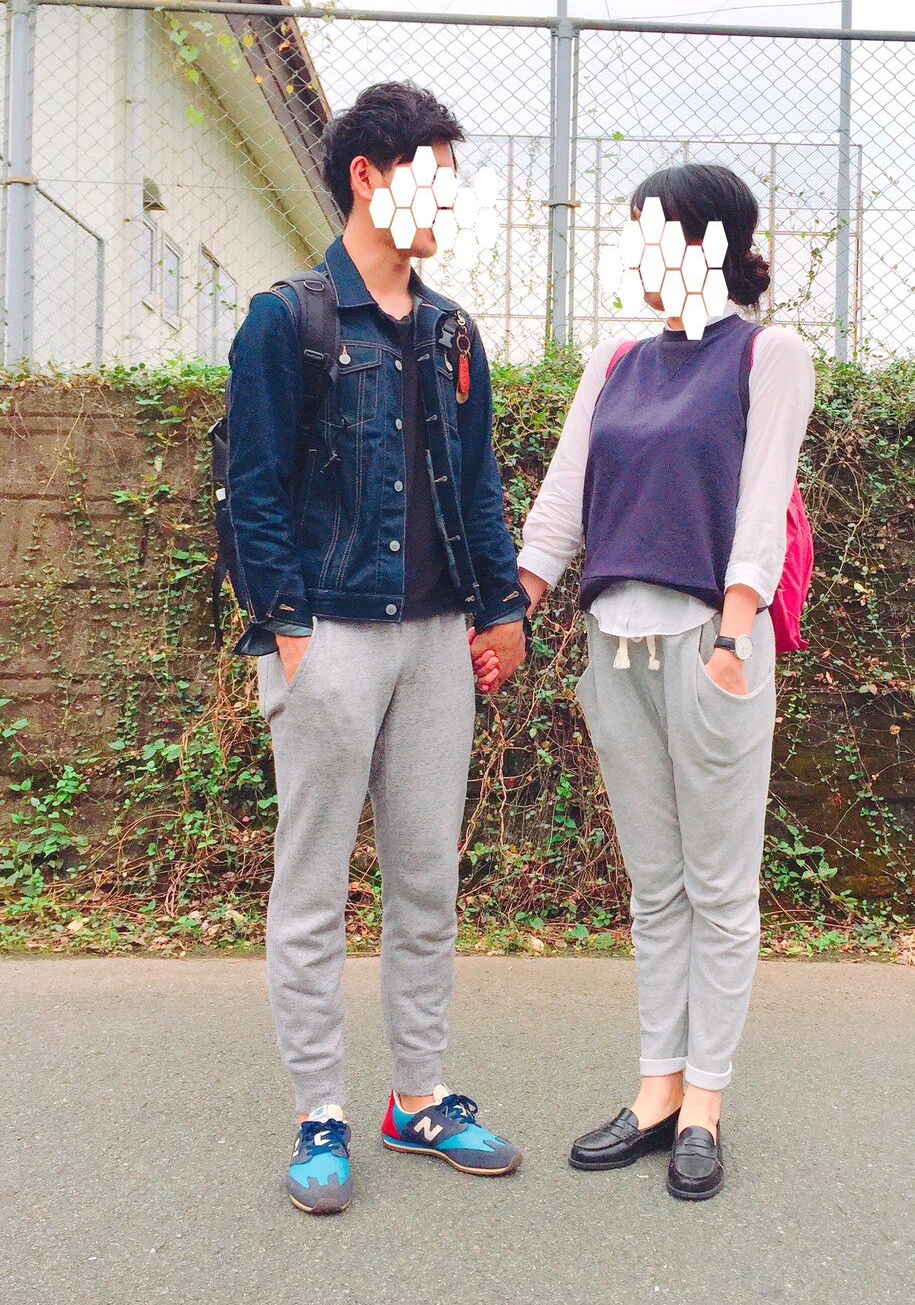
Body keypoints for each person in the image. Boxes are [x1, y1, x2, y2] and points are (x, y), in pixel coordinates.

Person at [477, 163, 814, 1200]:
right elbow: (561, 505)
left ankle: (705, 1100)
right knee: (655, 886)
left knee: (720, 887)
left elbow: (761, 506)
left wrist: (733, 637)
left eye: (650, 232)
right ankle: (656, 1087)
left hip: (711, 642)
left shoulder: (768, 354)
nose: (635, 254)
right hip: (612, 644)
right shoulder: (615, 361)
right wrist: (510, 608)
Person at [227, 82, 529, 1214]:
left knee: (426, 880)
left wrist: (499, 607)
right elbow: (251, 492)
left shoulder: (453, 332)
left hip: (439, 638)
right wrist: (289, 633)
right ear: (369, 175)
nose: (448, 203)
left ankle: (417, 1096)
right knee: (311, 887)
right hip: (328, 635)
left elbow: (479, 481)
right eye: (434, 179)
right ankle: (321, 1108)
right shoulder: (288, 319)